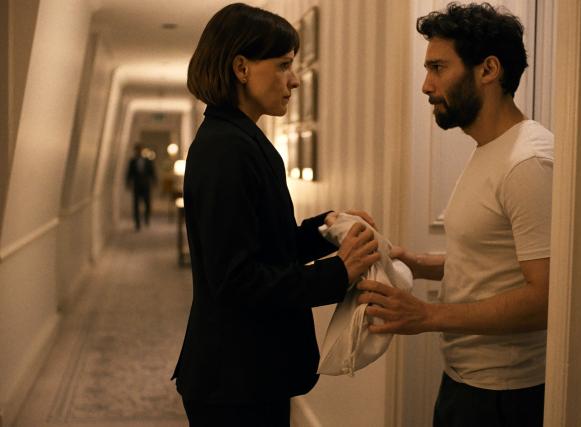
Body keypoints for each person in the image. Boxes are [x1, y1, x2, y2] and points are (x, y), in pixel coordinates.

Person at [171, 4, 380, 426]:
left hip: (249, 371)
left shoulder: (239, 139)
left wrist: (326, 229)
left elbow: (264, 245)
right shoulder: (226, 148)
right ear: (241, 68)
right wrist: (337, 273)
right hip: (234, 376)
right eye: (283, 65)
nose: (295, 80)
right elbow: (237, 279)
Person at [357, 3, 553, 426]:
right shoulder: (491, 149)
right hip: (466, 382)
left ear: (488, 70)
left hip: (504, 396)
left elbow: (546, 298)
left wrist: (426, 315)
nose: (426, 85)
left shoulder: (529, 161)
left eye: (438, 68)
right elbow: (494, 262)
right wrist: (415, 263)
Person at [126, 143, 157, 230]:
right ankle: (137, 223)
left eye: (139, 149)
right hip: (136, 186)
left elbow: (152, 172)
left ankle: (146, 218)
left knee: (147, 203)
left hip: (146, 185)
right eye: (137, 150)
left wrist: (154, 181)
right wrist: (128, 183)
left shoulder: (148, 161)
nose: (138, 151)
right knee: (136, 205)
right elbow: (129, 173)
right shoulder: (132, 161)